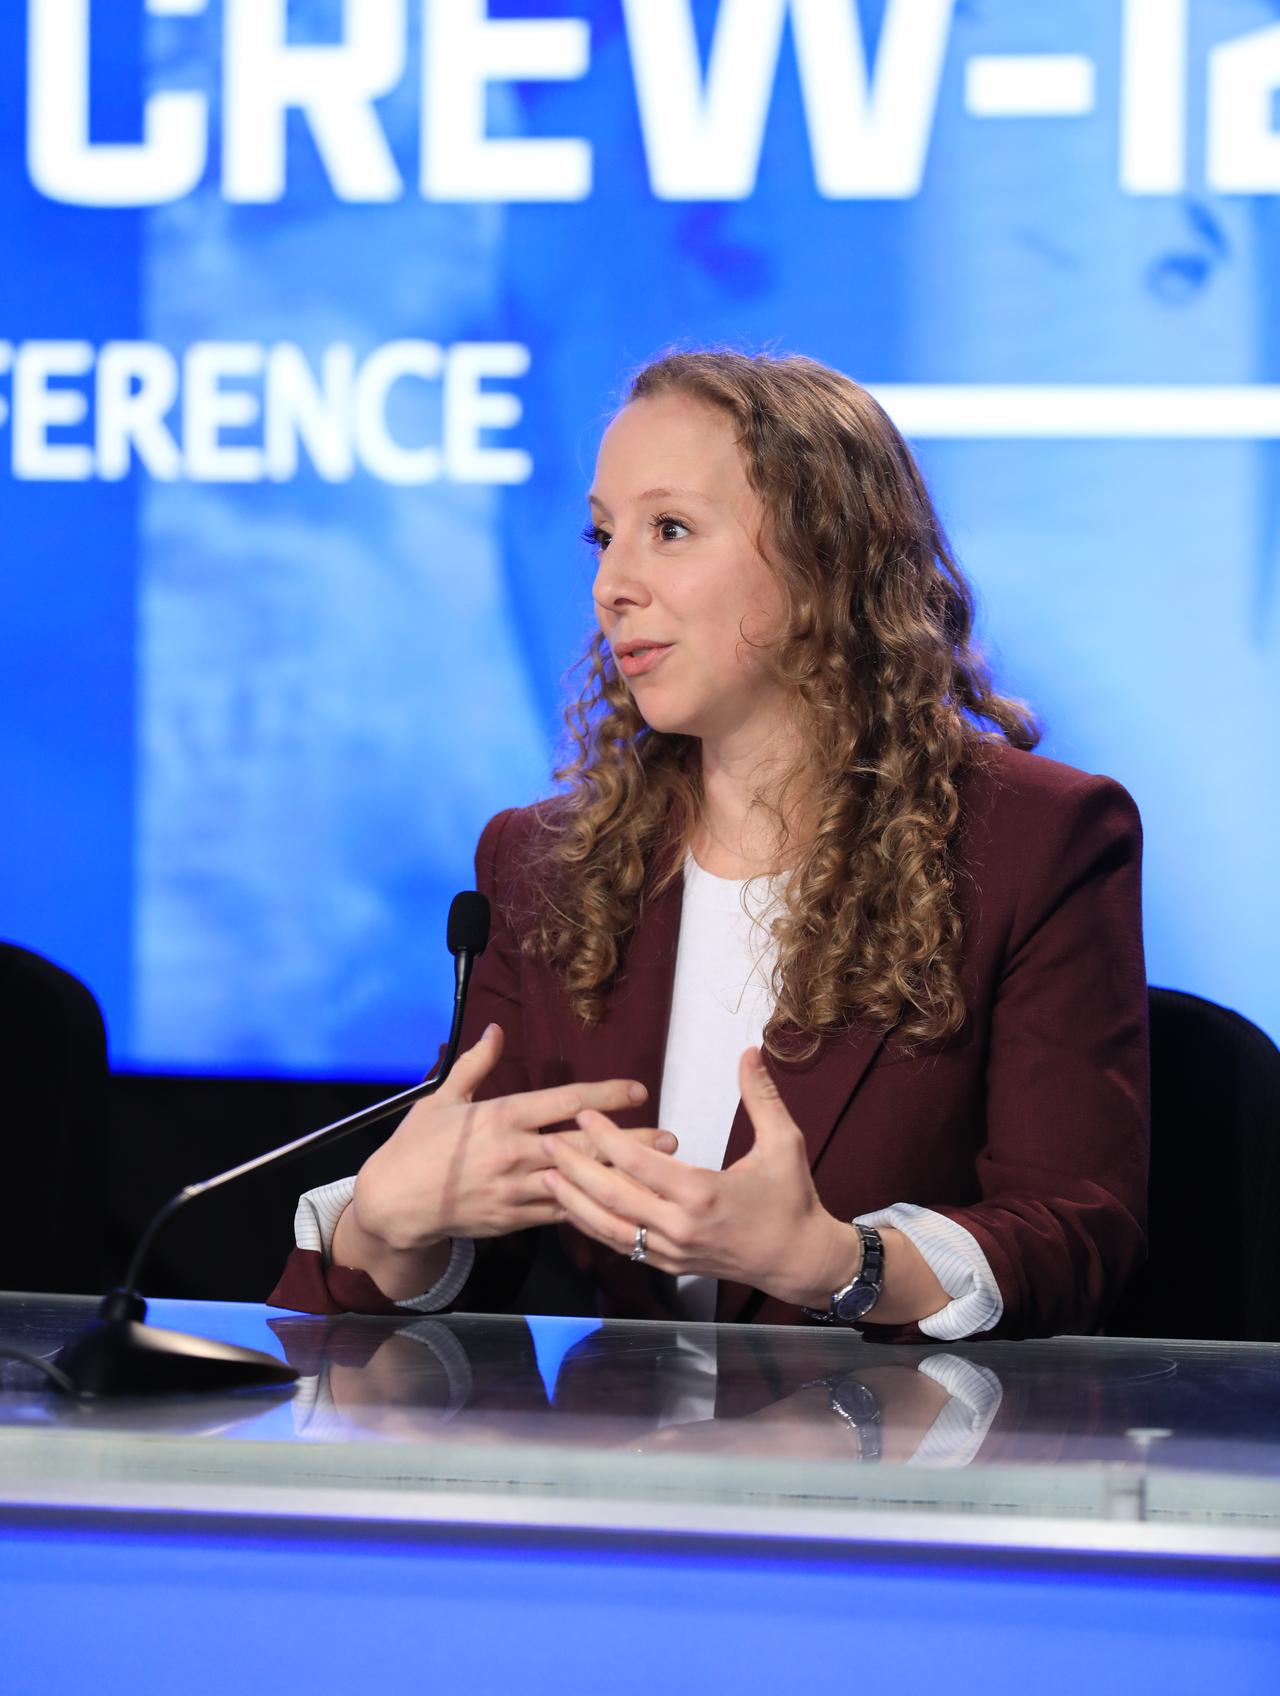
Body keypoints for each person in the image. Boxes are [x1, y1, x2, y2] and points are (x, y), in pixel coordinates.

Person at [271, 350, 1148, 1341]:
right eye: (602, 537)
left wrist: (836, 1264)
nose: (611, 585)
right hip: (619, 1472)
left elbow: (1075, 1233)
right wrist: (388, 1229)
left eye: (669, 530)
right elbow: (472, 1254)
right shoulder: (543, 864)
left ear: (828, 553)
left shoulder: (1038, 840)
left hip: (894, 1465)